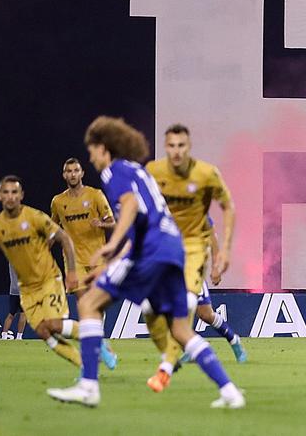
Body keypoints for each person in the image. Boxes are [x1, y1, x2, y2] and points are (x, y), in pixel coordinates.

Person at [47, 116, 245, 409]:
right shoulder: (139, 171)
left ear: (104, 148)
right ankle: (230, 391)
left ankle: (89, 386)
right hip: (171, 250)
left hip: (151, 252)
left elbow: (130, 206)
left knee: (89, 305)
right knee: (180, 329)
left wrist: (111, 245)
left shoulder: (114, 173)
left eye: (92, 150)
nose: (91, 157)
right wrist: (114, 261)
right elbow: (145, 220)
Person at [145, 123, 247, 390]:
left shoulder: (198, 200)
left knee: (204, 314)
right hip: (167, 260)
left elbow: (212, 234)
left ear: (188, 147)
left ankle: (232, 341)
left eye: (181, 146)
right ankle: (180, 354)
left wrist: (217, 262)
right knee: (163, 312)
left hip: (192, 259)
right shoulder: (158, 190)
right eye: (171, 146)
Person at [0, 175, 83, 367]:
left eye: (14, 192)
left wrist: (73, 272)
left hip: (48, 278)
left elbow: (64, 239)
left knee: (53, 325)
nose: (10, 196)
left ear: (21, 195)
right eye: (6, 192)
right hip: (26, 288)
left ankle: (95, 342)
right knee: (43, 331)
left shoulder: (34, 217)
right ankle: (85, 364)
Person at [50, 157, 119, 369]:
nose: (72, 174)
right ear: (64, 175)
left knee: (96, 306)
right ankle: (99, 347)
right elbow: (52, 227)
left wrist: (102, 223)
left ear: (82, 173)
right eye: (68, 171)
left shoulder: (95, 195)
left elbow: (114, 220)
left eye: (76, 170)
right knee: (85, 305)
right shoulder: (58, 202)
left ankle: (99, 343)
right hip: (74, 261)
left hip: (97, 258)